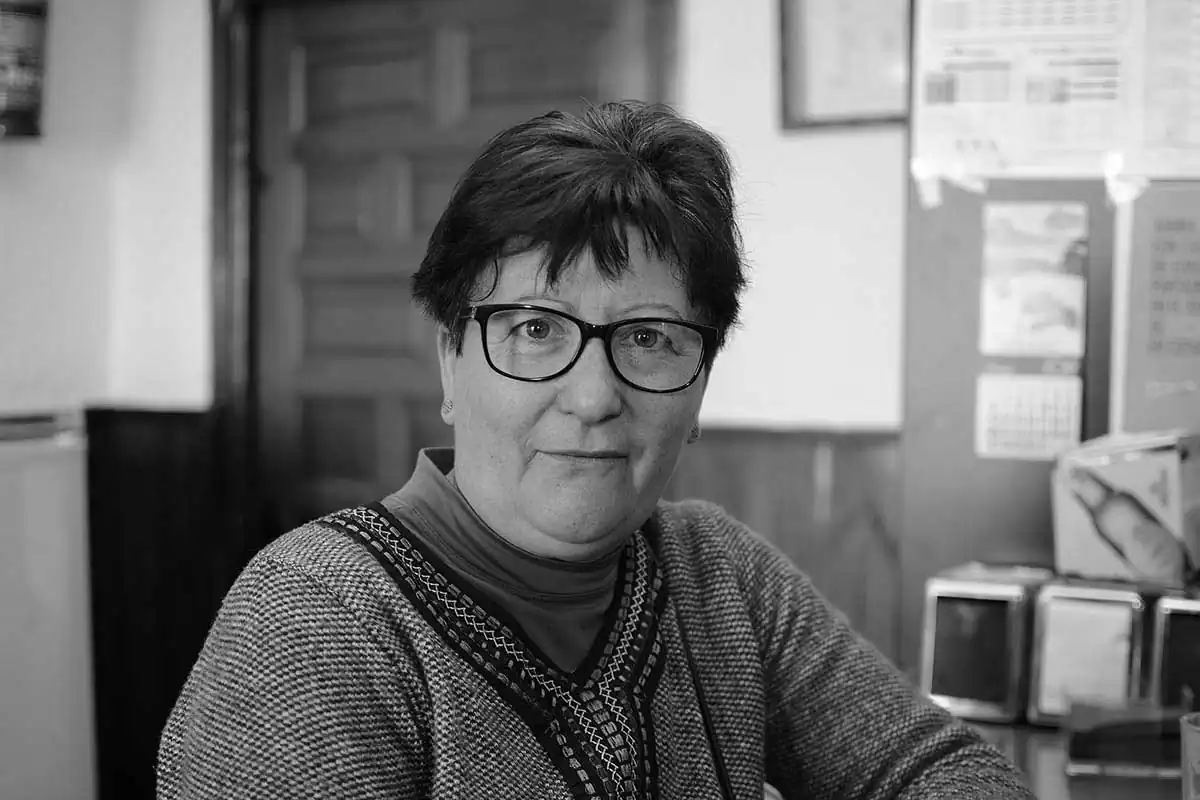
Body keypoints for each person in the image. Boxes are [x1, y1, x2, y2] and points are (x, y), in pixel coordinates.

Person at [157, 101, 1034, 800]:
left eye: (649, 338)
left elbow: (943, 771)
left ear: (700, 386)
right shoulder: (316, 623)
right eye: (536, 328)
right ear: (451, 362)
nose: (592, 397)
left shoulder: (719, 577)